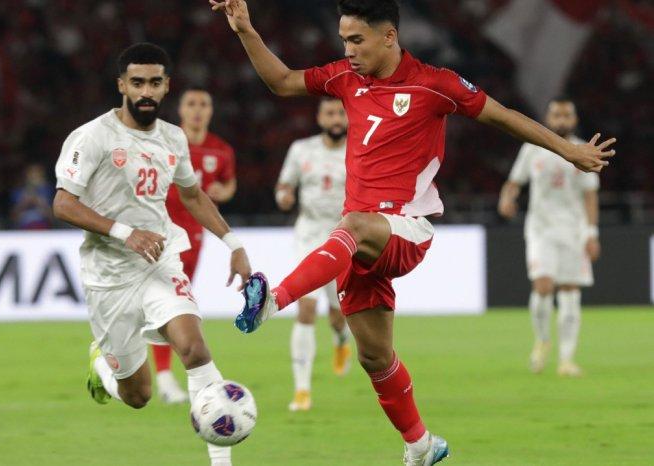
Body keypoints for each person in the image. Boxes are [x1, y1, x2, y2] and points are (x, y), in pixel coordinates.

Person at [210, 0, 615, 464]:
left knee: (351, 225)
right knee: (375, 358)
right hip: (358, 245)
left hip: (405, 229)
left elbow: (502, 115)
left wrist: (567, 149)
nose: (348, 50)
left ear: (389, 36)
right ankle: (420, 444)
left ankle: (272, 301)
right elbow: (282, 80)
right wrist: (245, 31)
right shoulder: (345, 78)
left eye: (356, 40)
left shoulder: (435, 84)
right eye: (344, 40)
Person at [51, 43, 251, 466]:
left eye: (154, 82)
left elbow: (193, 196)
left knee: (195, 349)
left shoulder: (173, 138)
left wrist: (233, 244)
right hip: (109, 276)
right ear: (122, 85)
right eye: (137, 82)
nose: (146, 91)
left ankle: (221, 462)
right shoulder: (93, 136)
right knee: (138, 395)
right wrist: (124, 233)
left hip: (160, 261)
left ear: (166, 87)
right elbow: (63, 204)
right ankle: (102, 369)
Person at [498, 98, 600, 377]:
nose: (562, 120)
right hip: (540, 229)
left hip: (573, 230)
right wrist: (507, 198)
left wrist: (591, 233)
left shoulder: (583, 151)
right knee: (543, 285)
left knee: (569, 290)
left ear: (575, 119)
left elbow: (590, 196)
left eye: (567, 115)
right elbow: (513, 182)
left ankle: (566, 359)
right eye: (557, 115)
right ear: (548, 117)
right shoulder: (532, 148)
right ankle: (542, 341)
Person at [154, 87, 238, 404]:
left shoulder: (221, 150)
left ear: (211, 111)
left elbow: (229, 183)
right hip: (161, 232)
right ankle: (165, 377)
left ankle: (165, 375)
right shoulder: (165, 142)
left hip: (196, 236)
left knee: (174, 302)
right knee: (169, 303)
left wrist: (223, 192)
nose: (198, 110)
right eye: (191, 104)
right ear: (181, 110)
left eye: (204, 104)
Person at [275, 97, 351, 411]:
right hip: (309, 234)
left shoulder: (358, 150)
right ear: (320, 118)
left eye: (341, 113)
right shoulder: (301, 149)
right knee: (305, 308)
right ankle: (302, 390)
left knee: (338, 314)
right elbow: (284, 185)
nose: (336, 119)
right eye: (330, 113)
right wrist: (284, 196)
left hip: (343, 235)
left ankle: (341, 339)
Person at [10, 164, 55, 230]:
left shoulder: (48, 190)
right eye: (31, 174)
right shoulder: (18, 191)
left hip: (43, 228)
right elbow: (13, 217)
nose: (34, 176)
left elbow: (52, 216)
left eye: (37, 174)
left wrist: (38, 201)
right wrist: (25, 202)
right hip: (23, 228)